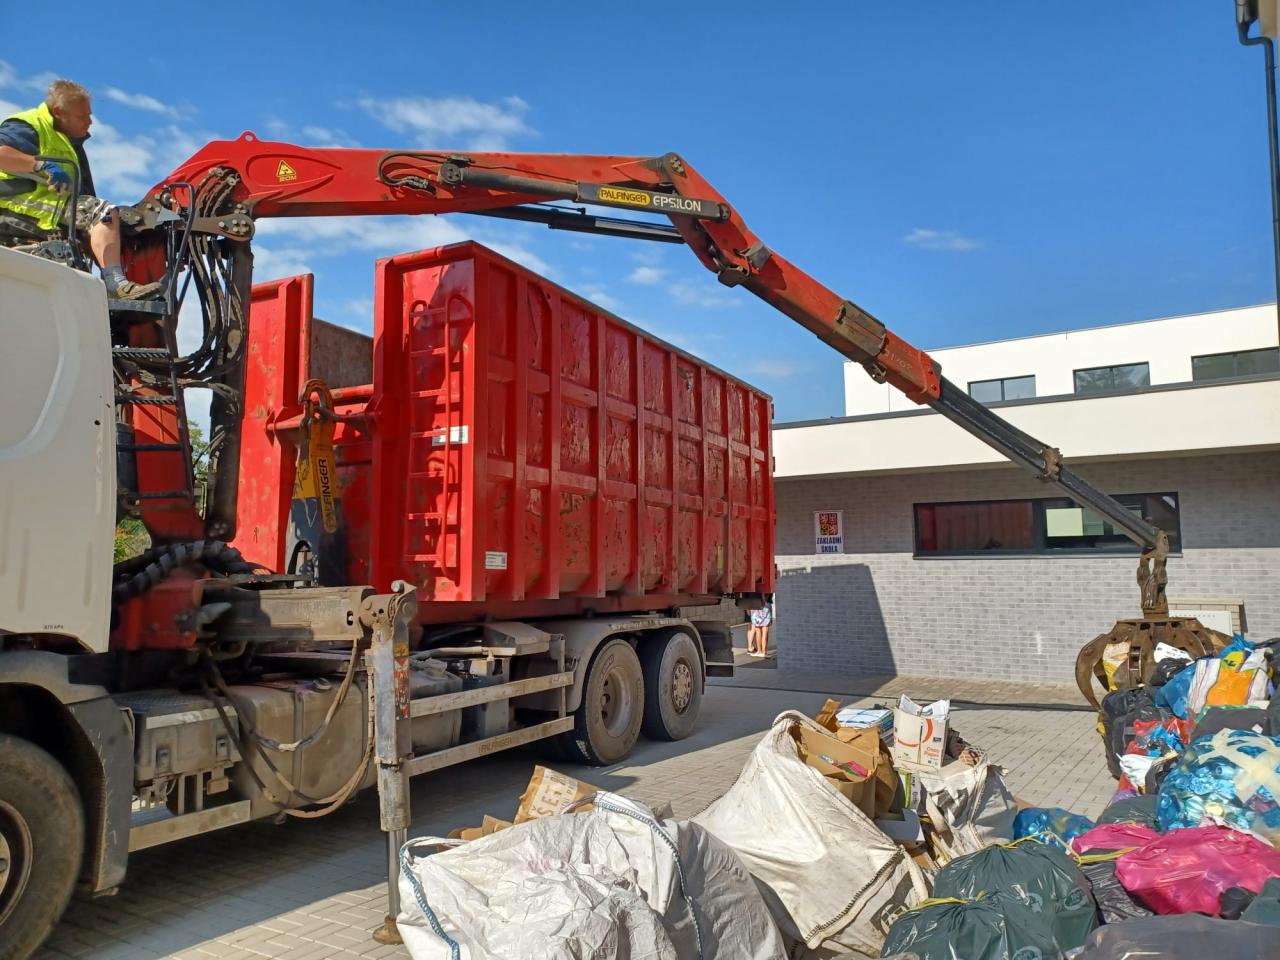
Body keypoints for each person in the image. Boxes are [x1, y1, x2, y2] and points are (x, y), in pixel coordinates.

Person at [0, 78, 161, 300]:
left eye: (89, 115)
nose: (90, 122)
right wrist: (40, 165)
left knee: (100, 225)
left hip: (47, 203)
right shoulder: (28, 125)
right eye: (82, 117)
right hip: (13, 200)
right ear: (58, 112)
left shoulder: (66, 139)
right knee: (102, 213)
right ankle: (116, 285)